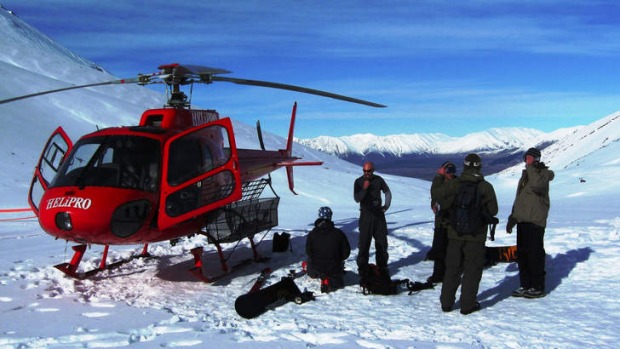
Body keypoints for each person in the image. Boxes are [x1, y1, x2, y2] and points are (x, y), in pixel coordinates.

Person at [439, 154, 498, 315]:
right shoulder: (485, 186)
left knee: (452, 268)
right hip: (476, 235)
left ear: (464, 166)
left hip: (454, 233)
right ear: (479, 167)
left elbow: (443, 202)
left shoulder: (454, 184)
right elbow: (493, 210)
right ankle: (467, 305)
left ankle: (446, 303)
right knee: (472, 270)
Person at [506, 147, 554, 299]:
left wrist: (532, 167)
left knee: (535, 255)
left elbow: (537, 186)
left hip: (535, 221)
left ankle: (537, 286)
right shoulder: (526, 174)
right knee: (523, 255)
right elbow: (520, 197)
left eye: (530, 158)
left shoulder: (543, 174)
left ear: (536, 159)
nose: (526, 160)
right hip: (523, 220)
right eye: (526, 157)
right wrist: (513, 217)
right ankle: (525, 285)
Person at [353, 161, 392, 285]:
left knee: (381, 243)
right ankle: (362, 269)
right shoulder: (358, 182)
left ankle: (382, 267)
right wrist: (364, 188)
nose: (366, 173)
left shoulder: (379, 179)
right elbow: (356, 198)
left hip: (378, 215)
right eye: (364, 171)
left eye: (369, 171)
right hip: (365, 216)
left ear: (373, 170)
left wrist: (386, 205)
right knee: (364, 244)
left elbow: (387, 192)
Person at [305, 206, 351, 292]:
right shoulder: (338, 233)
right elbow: (346, 252)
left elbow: (308, 251)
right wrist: (338, 258)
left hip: (316, 268)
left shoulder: (312, 234)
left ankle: (319, 274)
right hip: (335, 268)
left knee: (310, 260)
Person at [426, 161, 457, 284]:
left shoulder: (456, 182)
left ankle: (451, 274)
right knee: (439, 250)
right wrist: (434, 205)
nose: (450, 173)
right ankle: (438, 274)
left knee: (453, 251)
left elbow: (440, 195)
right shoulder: (439, 183)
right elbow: (434, 196)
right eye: (448, 170)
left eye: (452, 170)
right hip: (440, 223)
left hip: (453, 223)